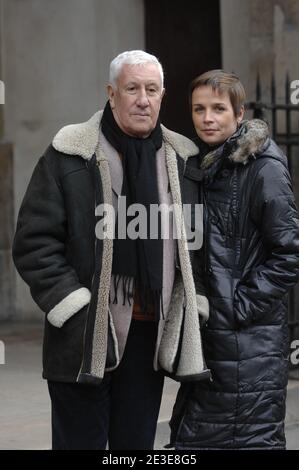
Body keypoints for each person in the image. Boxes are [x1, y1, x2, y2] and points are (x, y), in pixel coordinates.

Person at [12, 50, 209, 450]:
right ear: (111, 93)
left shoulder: (182, 159)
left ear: (162, 95)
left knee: (135, 447)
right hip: (83, 335)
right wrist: (72, 304)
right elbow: (34, 241)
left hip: (147, 335)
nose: (143, 99)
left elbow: (197, 244)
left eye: (151, 90)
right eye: (132, 88)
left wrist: (194, 301)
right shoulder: (70, 153)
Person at [169, 69, 299, 450]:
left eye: (218, 109)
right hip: (213, 342)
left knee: (247, 438)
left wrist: (237, 307)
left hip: (250, 344)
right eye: (198, 109)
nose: (207, 118)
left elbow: (289, 253)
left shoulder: (263, 168)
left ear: (239, 114)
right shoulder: (204, 165)